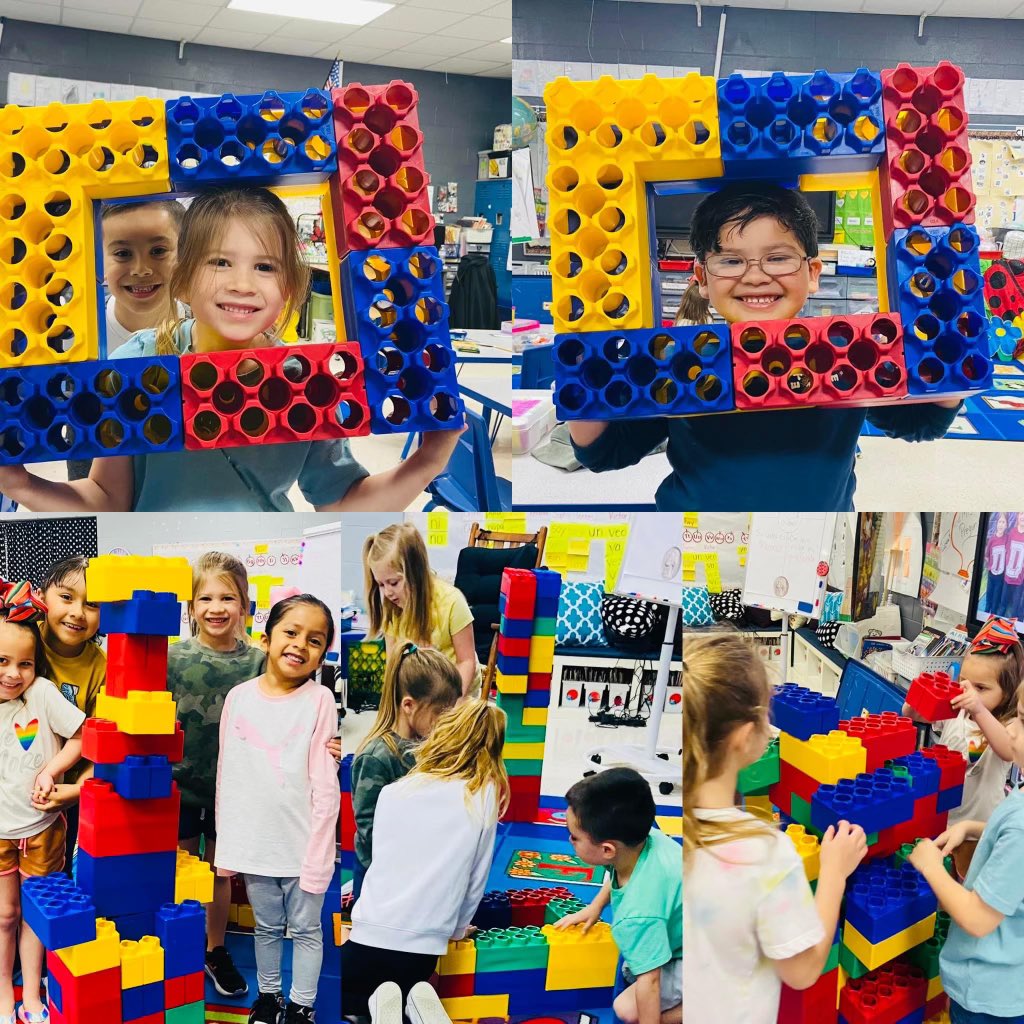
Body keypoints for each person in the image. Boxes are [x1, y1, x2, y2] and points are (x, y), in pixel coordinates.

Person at [0, 187, 463, 512]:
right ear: (183, 277)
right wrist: (23, 484)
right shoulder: (135, 366)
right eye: (220, 262)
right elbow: (107, 498)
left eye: (265, 266)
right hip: (159, 561)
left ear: (289, 285)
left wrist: (425, 463)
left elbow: (340, 498)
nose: (242, 284)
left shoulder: (307, 378)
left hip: (262, 563)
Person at [568, 182, 962, 511]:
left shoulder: (845, 354)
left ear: (812, 273)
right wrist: (579, 371)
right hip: (696, 538)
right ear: (702, 278)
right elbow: (605, 452)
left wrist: (953, 337)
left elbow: (921, 422)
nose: (755, 277)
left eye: (777, 258)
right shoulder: (681, 362)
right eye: (731, 261)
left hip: (812, 540)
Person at [683, 632, 867, 1023]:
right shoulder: (764, 853)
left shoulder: (672, 833)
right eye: (766, 714)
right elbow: (801, 972)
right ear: (745, 736)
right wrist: (833, 873)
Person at [215, 594, 340, 1024]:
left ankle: (302, 1005)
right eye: (291, 632)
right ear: (266, 639)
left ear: (323, 653)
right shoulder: (239, 697)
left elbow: (326, 783)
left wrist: (321, 852)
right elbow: (228, 775)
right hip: (255, 845)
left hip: (302, 843)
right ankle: (269, 998)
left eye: (315, 640)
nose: (300, 645)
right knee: (266, 928)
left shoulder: (320, 700)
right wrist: (229, 845)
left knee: (306, 930)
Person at [341, 700, 509, 1016]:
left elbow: (380, 862)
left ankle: (390, 1010)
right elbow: (476, 878)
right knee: (406, 993)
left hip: (368, 934)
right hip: (420, 947)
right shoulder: (481, 794)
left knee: (354, 1001)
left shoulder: (395, 790)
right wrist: (458, 928)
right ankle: (413, 1008)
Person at [168, 552, 264, 999]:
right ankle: (182, 945)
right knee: (182, 866)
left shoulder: (259, 662)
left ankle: (215, 948)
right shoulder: (172, 656)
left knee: (219, 873)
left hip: (234, 790)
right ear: (190, 606)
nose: (216, 607)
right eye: (204, 597)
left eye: (228, 597)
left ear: (245, 603)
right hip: (179, 786)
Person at [907, 676, 1024, 1023]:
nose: (1012, 731)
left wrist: (929, 866)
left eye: (1023, 720)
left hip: (988, 992)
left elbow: (976, 918)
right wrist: (972, 827)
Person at [0, 581, 85, 1024]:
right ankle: (3, 995)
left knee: (33, 914)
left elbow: (81, 736)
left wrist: (52, 771)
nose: (14, 674)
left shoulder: (44, 694)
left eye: (25, 664)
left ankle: (31, 994)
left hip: (41, 827)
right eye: (2, 661)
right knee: (3, 915)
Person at [553, 768, 681, 1024]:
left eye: (574, 837)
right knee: (632, 968)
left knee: (627, 1008)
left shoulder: (637, 914)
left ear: (607, 849)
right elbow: (618, 873)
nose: (569, 840)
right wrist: (596, 906)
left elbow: (651, 981)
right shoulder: (642, 838)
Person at [902, 616, 1024, 877]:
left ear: (1009, 692)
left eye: (981, 688)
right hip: (943, 818)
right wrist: (916, 700)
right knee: (937, 881)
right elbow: (915, 714)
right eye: (966, 682)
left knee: (968, 882)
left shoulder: (1006, 726)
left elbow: (1007, 750)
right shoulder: (956, 712)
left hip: (977, 831)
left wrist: (978, 709)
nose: (970, 693)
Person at [351, 644, 461, 901]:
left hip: (417, 875)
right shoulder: (377, 757)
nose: (445, 723)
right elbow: (370, 831)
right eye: (440, 714)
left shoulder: (428, 747)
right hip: (381, 883)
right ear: (409, 705)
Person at [34, 557, 106, 876]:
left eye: (91, 604)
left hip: (63, 794)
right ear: (42, 595)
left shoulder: (102, 667)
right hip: (10, 779)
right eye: (66, 597)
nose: (77, 611)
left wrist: (78, 790)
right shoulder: (19, 639)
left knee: (54, 878)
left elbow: (102, 744)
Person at [363, 523, 479, 697]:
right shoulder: (392, 609)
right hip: (422, 691)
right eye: (381, 584)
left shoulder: (452, 602)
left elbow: (467, 661)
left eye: (394, 582)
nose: (387, 593)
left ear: (416, 572)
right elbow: (393, 666)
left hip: (458, 689)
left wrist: (453, 702)